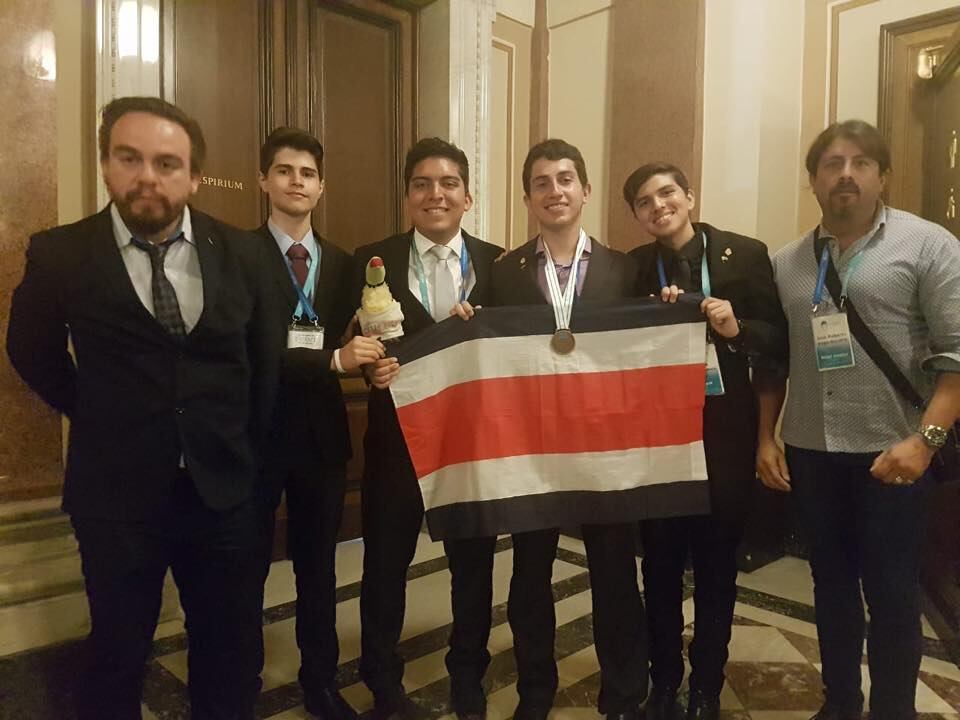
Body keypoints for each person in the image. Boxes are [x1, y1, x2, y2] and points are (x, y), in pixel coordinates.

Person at [6, 96, 278, 720]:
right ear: (105, 164)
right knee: (117, 655)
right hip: (116, 497)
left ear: (194, 176)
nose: (147, 177)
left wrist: (247, 461)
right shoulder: (61, 253)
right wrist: (94, 410)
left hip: (223, 495)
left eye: (167, 163)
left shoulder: (243, 253)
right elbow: (30, 350)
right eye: (129, 158)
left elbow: (264, 367)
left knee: (229, 657)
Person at [756, 120, 960, 720]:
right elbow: (775, 359)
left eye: (861, 163)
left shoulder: (928, 245)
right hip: (812, 451)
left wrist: (924, 443)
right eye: (832, 164)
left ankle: (893, 711)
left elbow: (957, 355)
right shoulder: (786, 262)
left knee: (894, 593)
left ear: (882, 176)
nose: (846, 174)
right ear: (813, 180)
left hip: (894, 453)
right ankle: (840, 703)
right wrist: (766, 437)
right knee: (831, 587)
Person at [489, 138, 648, 720]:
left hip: (605, 447)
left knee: (614, 571)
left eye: (564, 179)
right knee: (529, 573)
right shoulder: (502, 273)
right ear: (527, 198)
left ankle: (624, 694)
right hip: (531, 448)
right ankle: (534, 691)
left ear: (585, 190)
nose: (554, 191)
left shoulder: (626, 269)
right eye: (541, 183)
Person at [625, 162, 787, 720]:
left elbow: (777, 342)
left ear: (689, 197)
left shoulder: (744, 254)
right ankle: (664, 681)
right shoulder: (634, 269)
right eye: (644, 201)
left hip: (726, 434)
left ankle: (706, 688)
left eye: (667, 192)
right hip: (659, 440)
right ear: (637, 216)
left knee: (718, 566)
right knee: (660, 566)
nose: (658, 206)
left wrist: (735, 327)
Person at [353, 138, 504, 720]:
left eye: (448, 184)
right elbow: (352, 338)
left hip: (472, 443)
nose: (434, 194)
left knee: (473, 564)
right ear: (407, 195)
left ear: (468, 196)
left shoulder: (500, 264)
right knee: (384, 563)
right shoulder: (373, 259)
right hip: (396, 441)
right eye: (421, 184)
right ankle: (382, 679)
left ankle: (468, 674)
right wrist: (368, 367)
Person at [255, 127, 385, 720]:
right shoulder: (238, 255)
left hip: (322, 437)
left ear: (321, 186)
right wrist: (332, 360)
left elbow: (367, 330)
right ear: (264, 180)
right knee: (245, 565)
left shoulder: (343, 264)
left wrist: (375, 358)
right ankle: (240, 674)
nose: (296, 182)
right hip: (255, 434)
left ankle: (321, 681)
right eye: (284, 171)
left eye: (307, 173)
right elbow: (250, 349)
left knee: (318, 568)